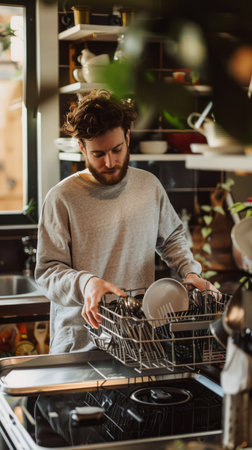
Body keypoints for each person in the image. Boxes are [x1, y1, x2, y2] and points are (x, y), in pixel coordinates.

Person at [35, 89, 215, 354]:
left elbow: (172, 238)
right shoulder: (62, 198)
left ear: (127, 137)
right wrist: (86, 283)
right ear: (82, 147)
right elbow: (48, 272)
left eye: (117, 149)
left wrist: (190, 271)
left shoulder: (148, 186)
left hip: (137, 344)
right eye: (98, 154)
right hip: (80, 347)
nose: (110, 162)